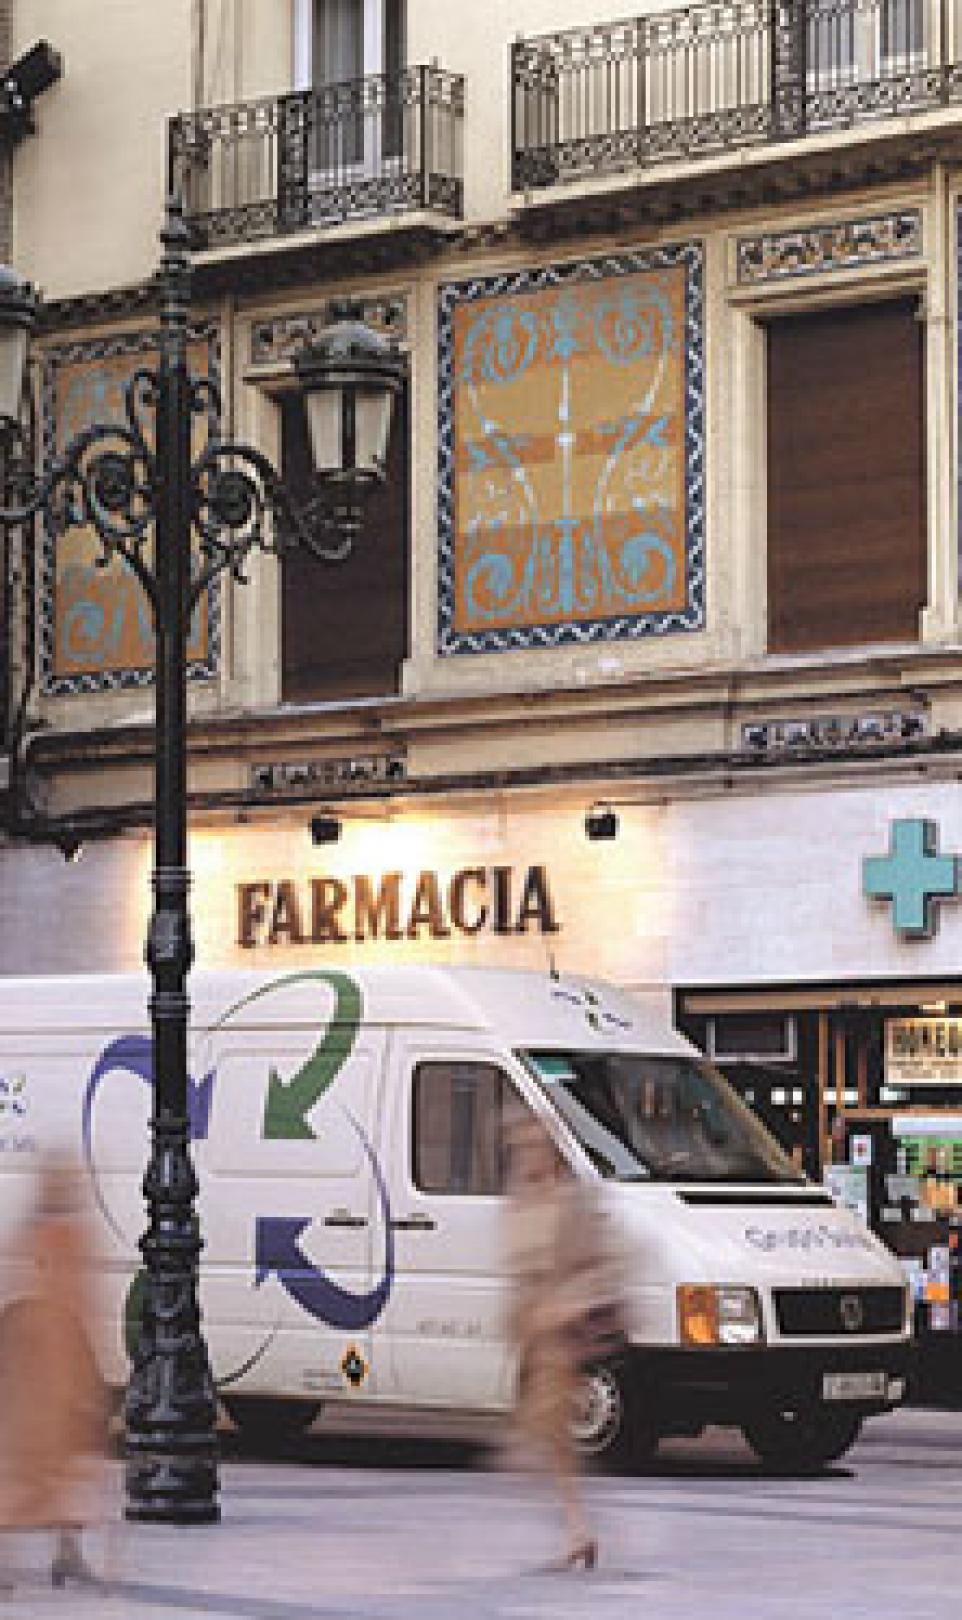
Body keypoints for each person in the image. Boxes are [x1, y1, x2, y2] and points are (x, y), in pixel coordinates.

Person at [504, 1117, 622, 1573]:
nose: (524, 1154)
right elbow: (517, 1270)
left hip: (560, 1336)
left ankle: (578, 1529)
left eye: (532, 1146)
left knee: (546, 1441)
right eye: (519, 1147)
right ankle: (578, 1529)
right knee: (549, 1445)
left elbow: (599, 1267)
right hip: (533, 1335)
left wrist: (568, 1306)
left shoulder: (572, 1202)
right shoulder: (522, 1203)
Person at [0, 1152, 106, 1592]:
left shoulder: (64, 1235)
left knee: (62, 1475)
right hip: (37, 1375)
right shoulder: (43, 1238)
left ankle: (68, 1553)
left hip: (56, 1374)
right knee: (25, 1477)